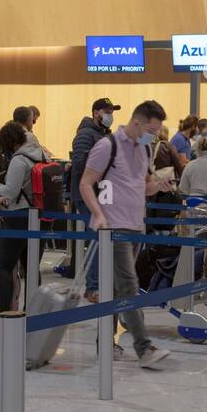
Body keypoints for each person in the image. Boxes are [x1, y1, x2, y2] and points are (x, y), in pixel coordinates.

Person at [79, 100, 173, 368]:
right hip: (113, 228)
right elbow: (86, 183)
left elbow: (143, 187)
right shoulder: (107, 146)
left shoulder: (143, 148)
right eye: (152, 130)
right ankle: (144, 348)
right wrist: (98, 214)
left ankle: (105, 343)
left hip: (135, 227)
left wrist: (159, 185)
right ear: (137, 123)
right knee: (129, 285)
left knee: (115, 288)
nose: (154, 135)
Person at [0, 121, 42, 312]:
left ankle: (6, 314)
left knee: (3, 265)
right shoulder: (39, 153)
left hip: (17, 216)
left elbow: (10, 192)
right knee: (31, 267)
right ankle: (32, 312)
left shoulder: (19, 159)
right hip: (38, 216)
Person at [70, 98, 118, 297]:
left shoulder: (104, 135)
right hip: (89, 195)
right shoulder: (85, 135)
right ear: (96, 112)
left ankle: (100, 283)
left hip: (103, 194)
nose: (110, 115)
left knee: (102, 240)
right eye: (107, 111)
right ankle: (93, 286)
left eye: (111, 111)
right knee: (97, 240)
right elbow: (80, 163)